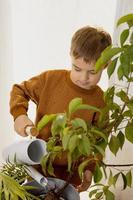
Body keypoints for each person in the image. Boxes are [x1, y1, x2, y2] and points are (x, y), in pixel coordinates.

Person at [9, 26, 112, 192]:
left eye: (93, 72)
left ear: (106, 65)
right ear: (70, 54)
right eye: (77, 69)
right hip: (38, 166)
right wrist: (19, 115)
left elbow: (99, 139)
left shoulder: (100, 101)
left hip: (71, 176)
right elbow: (19, 90)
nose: (83, 78)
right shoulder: (50, 80)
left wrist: (89, 168)